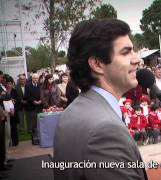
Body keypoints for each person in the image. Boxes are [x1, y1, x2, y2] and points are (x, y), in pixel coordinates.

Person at [54, 19, 147, 180]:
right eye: (126, 52)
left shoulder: (74, 111)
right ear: (97, 64)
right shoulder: (105, 130)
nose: (136, 59)